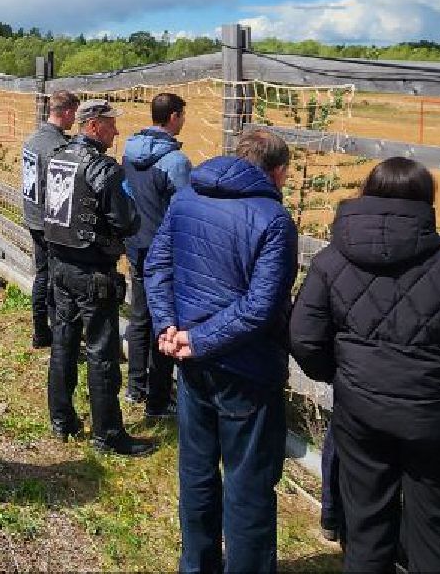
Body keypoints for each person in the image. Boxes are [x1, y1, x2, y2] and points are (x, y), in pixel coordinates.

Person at [289, 157, 440, 574]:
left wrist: (345, 378)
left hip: (361, 418)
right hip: (438, 427)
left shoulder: (331, 262)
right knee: (435, 542)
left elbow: (305, 339)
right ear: (425, 204)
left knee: (364, 531)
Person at [146, 127, 298, 573]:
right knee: (248, 482)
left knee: (196, 471)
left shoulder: (188, 197)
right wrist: (190, 336)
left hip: (192, 362)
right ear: (279, 171)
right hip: (244, 369)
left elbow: (156, 265)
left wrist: (169, 327)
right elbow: (261, 307)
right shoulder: (273, 220)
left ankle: (197, 564)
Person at [43, 99, 152, 457]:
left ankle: (62, 419)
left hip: (59, 265)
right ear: (92, 127)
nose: (116, 131)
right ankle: (107, 434)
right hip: (92, 272)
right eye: (110, 125)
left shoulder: (58, 158)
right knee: (101, 352)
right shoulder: (102, 169)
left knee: (63, 343)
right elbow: (127, 220)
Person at [123, 92, 194, 420]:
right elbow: (185, 210)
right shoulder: (176, 162)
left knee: (140, 315)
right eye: (182, 115)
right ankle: (159, 398)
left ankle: (135, 387)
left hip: (135, 242)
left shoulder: (128, 149)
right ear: (174, 117)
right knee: (164, 321)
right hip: (164, 252)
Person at [20, 91, 78, 350]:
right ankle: (53, 334)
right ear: (65, 112)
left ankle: (40, 332)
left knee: (42, 274)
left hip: (32, 216)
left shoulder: (32, 140)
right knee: (51, 279)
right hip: (48, 223)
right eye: (73, 113)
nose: (74, 119)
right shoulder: (56, 148)